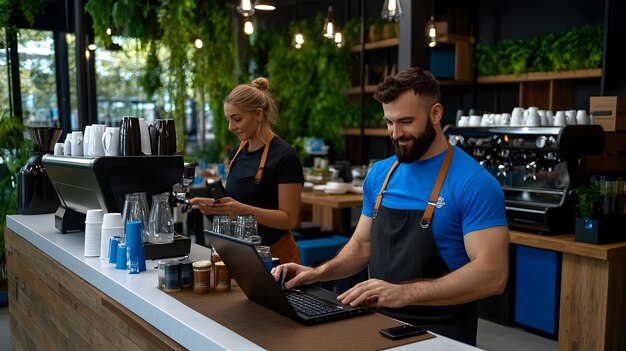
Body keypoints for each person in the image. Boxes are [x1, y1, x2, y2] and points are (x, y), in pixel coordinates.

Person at [272, 67, 509, 345]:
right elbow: (362, 246)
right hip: (378, 326)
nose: (396, 134)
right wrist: (317, 273)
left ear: (435, 113)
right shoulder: (381, 175)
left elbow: (493, 275)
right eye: (389, 122)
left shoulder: (474, 183)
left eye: (406, 121)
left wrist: (402, 293)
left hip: (440, 336)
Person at [190, 77, 304, 264]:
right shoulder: (237, 152)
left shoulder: (285, 156)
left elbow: (289, 219)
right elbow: (239, 202)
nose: (231, 127)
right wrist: (215, 207)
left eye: (237, 119)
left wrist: (242, 210)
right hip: (241, 254)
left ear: (258, 114)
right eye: (228, 119)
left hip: (275, 259)